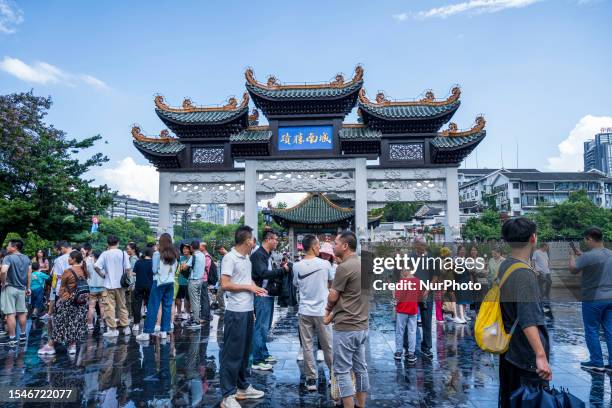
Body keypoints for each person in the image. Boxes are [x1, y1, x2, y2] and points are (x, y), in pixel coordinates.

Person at [498, 217, 551, 408]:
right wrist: (540, 355)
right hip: (525, 355)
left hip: (509, 350)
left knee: (511, 399)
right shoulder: (523, 274)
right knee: (530, 401)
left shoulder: (506, 265)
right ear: (533, 238)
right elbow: (528, 319)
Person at [219, 226, 267, 408]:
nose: (254, 242)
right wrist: (249, 287)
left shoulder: (246, 258)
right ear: (247, 241)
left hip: (247, 310)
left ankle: (243, 386)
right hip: (235, 312)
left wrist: (255, 287)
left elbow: (247, 280)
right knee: (232, 353)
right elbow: (225, 284)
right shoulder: (229, 258)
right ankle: (227, 395)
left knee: (245, 352)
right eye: (253, 239)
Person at [324, 231, 369, 408]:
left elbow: (334, 296)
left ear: (345, 246)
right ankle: (361, 405)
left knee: (342, 371)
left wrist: (328, 310)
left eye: (335, 243)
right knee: (360, 369)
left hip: (346, 327)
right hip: (362, 325)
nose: (333, 246)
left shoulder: (344, 267)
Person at [292, 234, 334, 391]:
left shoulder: (297, 266)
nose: (319, 248)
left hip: (305, 311)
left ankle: (311, 380)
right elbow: (331, 284)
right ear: (313, 246)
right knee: (328, 345)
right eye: (318, 245)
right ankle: (334, 375)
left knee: (307, 346)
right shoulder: (325, 265)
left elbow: (296, 284)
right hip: (322, 311)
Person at [569, 227, 612, 372]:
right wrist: (582, 256)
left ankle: (597, 362)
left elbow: (573, 269)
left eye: (585, 240)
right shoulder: (609, 254)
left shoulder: (588, 256)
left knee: (592, 329)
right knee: (609, 330)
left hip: (592, 299)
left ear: (590, 239)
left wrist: (572, 256)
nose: (585, 242)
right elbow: (597, 262)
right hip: (610, 298)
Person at [250, 229, 288, 370]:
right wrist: (282, 271)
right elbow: (264, 274)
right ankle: (257, 360)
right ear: (268, 239)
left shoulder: (267, 255)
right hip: (261, 295)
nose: (277, 242)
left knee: (265, 327)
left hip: (268, 295)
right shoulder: (258, 255)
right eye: (275, 239)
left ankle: (264, 353)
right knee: (261, 327)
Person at [37, 250, 89, 355]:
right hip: (80, 301)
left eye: (70, 257)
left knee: (61, 323)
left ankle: (50, 346)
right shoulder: (84, 270)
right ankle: (72, 346)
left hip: (68, 301)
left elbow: (62, 288)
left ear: (74, 259)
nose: (68, 259)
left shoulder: (68, 271)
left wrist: (59, 299)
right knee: (75, 323)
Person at [136, 233, 177, 341]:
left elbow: (154, 270)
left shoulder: (157, 254)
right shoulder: (174, 254)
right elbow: (175, 270)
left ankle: (146, 332)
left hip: (158, 282)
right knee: (167, 306)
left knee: (153, 307)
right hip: (170, 282)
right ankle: (164, 331)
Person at [94, 235, 132, 338]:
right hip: (121, 285)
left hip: (108, 284)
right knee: (122, 305)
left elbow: (96, 266)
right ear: (118, 243)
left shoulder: (105, 254)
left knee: (109, 307)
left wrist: (102, 275)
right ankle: (126, 327)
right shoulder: (123, 253)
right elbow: (128, 269)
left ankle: (112, 329)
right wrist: (128, 281)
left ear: (108, 244)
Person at [0, 239, 31, 347]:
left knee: (10, 314)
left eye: (8, 246)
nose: (7, 247)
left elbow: (3, 271)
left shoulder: (8, 257)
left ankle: (12, 338)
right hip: (22, 289)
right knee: (22, 312)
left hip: (10, 288)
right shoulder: (26, 258)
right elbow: (29, 273)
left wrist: (3, 282)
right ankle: (23, 335)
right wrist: (28, 287)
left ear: (14, 247)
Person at [412, 236, 438, 356]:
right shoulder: (411, 257)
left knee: (426, 320)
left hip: (426, 294)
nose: (421, 247)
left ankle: (426, 346)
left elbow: (435, 277)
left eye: (423, 245)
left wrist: (428, 289)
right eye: (418, 245)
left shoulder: (431, 259)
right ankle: (410, 347)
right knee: (410, 321)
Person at [394, 267, 420, 363]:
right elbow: (420, 295)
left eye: (402, 271)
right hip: (413, 309)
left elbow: (398, 297)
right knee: (412, 332)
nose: (401, 273)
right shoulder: (417, 281)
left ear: (406, 271)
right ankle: (411, 354)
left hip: (402, 310)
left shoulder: (402, 282)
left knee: (400, 331)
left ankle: (398, 352)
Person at [82, 244, 103, 331]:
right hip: (102, 287)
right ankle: (102, 323)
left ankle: (90, 324)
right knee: (102, 307)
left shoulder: (88, 262)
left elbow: (86, 273)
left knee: (91, 307)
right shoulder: (102, 263)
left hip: (91, 287)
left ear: (94, 255)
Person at [47, 241, 72, 319]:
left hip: (61, 288)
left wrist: (53, 287)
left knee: (61, 312)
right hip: (74, 287)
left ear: (62, 248)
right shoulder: (78, 256)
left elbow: (55, 275)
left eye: (59, 250)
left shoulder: (59, 259)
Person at [185, 240, 207, 329]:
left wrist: (183, 264)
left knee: (194, 301)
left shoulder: (194, 256)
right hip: (200, 280)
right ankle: (196, 318)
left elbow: (185, 267)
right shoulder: (202, 255)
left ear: (191, 247)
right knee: (197, 300)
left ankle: (196, 321)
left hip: (193, 280)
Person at [132, 247, 154, 333]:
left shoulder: (138, 262)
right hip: (150, 286)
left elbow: (134, 273)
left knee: (137, 304)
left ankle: (136, 324)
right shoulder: (153, 263)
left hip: (139, 285)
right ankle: (150, 322)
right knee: (150, 305)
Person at [532, 243, 552, 313]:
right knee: (541, 284)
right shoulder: (536, 252)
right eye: (546, 247)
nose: (547, 248)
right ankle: (541, 298)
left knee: (549, 282)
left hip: (547, 271)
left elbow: (547, 260)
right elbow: (533, 260)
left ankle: (546, 295)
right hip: (539, 270)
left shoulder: (545, 252)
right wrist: (534, 269)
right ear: (543, 246)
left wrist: (549, 265)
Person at [454, 245, 470, 324]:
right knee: (460, 299)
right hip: (459, 280)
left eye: (464, 250)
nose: (463, 251)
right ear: (458, 251)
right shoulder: (456, 259)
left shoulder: (466, 259)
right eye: (461, 250)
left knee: (465, 299)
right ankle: (461, 316)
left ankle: (463, 314)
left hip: (466, 280)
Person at [177, 243, 192, 320]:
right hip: (179, 280)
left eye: (186, 248)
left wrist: (183, 266)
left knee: (187, 298)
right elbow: (179, 268)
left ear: (190, 249)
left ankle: (187, 312)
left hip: (188, 281)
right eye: (183, 249)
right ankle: (179, 312)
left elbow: (183, 268)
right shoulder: (180, 258)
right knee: (178, 297)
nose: (185, 250)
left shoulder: (192, 258)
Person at [216, 245, 228, 313]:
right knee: (220, 294)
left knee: (219, 294)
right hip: (223, 279)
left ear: (222, 249)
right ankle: (222, 308)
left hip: (225, 279)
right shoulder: (224, 257)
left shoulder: (227, 256)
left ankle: (222, 308)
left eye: (219, 251)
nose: (219, 253)